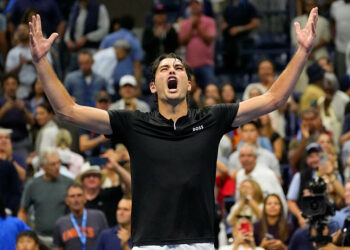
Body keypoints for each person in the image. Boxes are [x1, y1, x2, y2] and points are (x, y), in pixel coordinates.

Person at [28, 7, 318, 248]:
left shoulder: (211, 118)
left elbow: (273, 98)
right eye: (164, 68)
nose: (172, 71)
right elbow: (66, 111)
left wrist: (303, 51)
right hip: (148, 243)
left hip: (200, 242)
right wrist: (41, 62)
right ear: (153, 86)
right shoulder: (133, 122)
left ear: (188, 84)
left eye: (178, 68)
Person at [18, 148, 74, 248]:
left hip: (65, 237)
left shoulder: (69, 183)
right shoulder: (33, 185)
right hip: (41, 239)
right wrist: (23, 234)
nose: (57, 167)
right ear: (43, 167)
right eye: (53, 164)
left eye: (58, 163)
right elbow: (23, 211)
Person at [53, 183, 108, 250]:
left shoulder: (98, 216)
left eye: (79, 195)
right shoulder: (60, 223)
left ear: (85, 198)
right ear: (67, 201)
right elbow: (60, 247)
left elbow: (107, 242)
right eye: (72, 196)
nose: (76, 200)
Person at [75, 161, 131, 226]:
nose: (91, 178)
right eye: (88, 176)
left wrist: (117, 168)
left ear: (101, 179)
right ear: (82, 180)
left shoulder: (110, 194)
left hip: (110, 234)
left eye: (95, 175)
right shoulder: (76, 199)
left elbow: (131, 186)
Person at [178, 0, 216, 88]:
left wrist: (198, 27)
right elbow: (181, 42)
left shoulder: (209, 21)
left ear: (201, 6)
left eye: (197, 4)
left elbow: (209, 39)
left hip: (206, 64)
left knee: (210, 89)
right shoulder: (184, 23)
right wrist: (191, 27)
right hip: (189, 65)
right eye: (192, 4)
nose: (194, 6)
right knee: (189, 91)